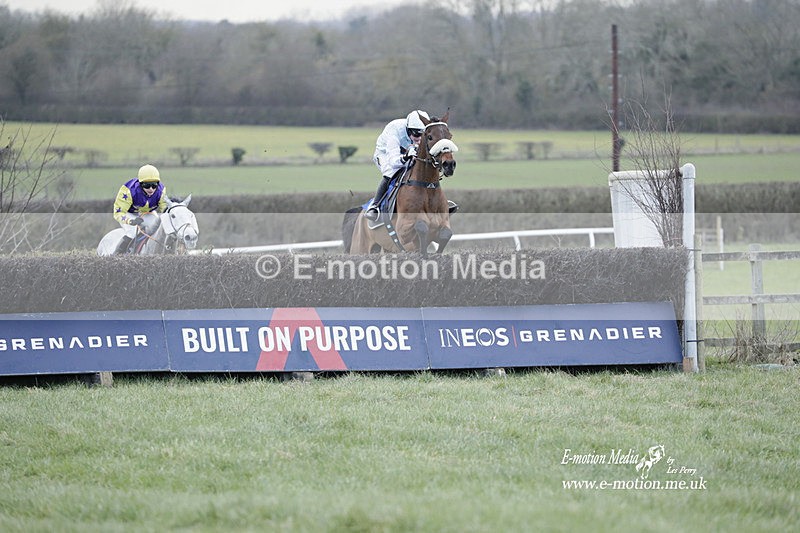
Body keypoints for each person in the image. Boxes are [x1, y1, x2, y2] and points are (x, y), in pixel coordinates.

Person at [365, 110, 429, 221]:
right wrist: (405, 157)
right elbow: (393, 162)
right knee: (391, 172)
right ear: (408, 129)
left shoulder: (419, 135)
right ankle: (375, 206)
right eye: (416, 134)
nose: (419, 138)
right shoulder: (394, 130)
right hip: (386, 154)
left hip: (406, 151)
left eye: (423, 134)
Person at [112, 164, 167, 254]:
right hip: (128, 213)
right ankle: (117, 255)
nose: (151, 189)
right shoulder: (128, 190)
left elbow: (164, 209)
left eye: (154, 185)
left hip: (147, 213)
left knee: (157, 228)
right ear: (140, 184)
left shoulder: (161, 190)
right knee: (132, 232)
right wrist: (130, 221)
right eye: (147, 185)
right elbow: (118, 213)